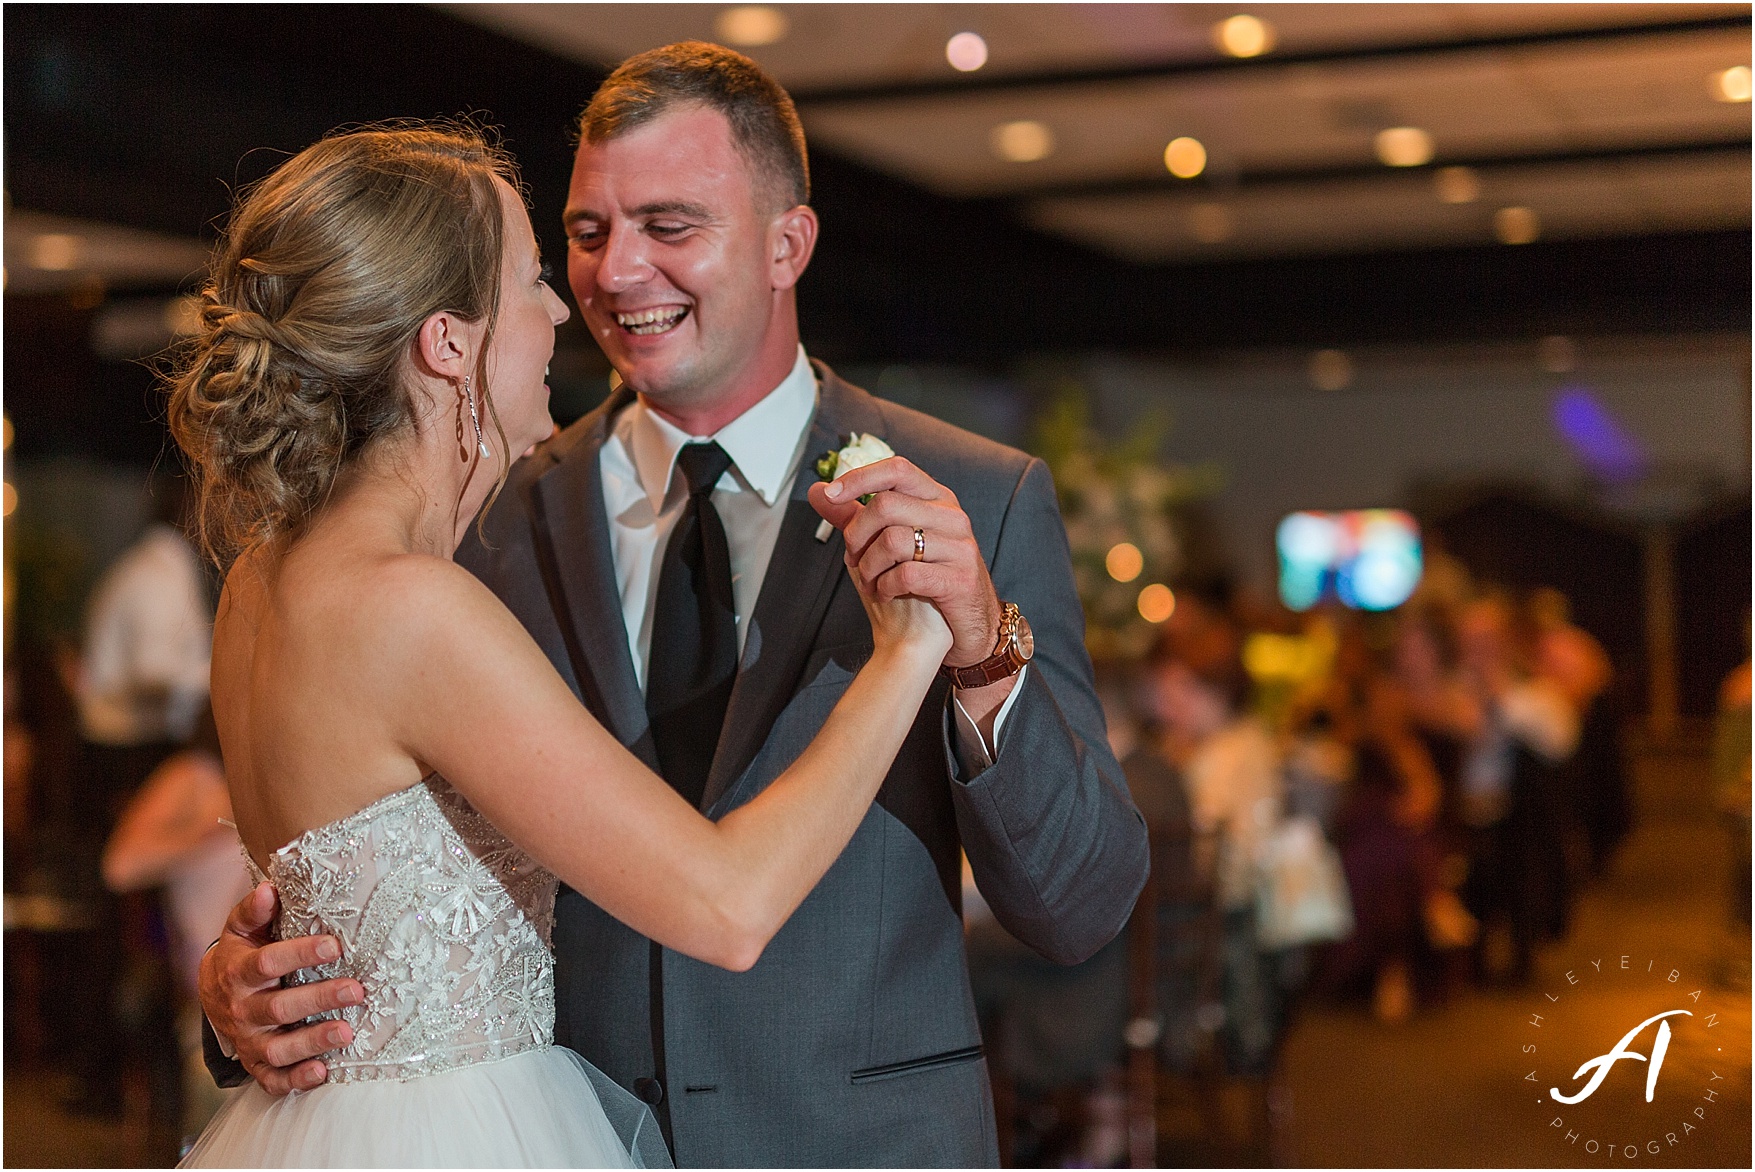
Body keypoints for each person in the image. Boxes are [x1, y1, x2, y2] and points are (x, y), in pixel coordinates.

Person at [197, 43, 1147, 1169]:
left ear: (787, 243)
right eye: (586, 234)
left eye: (670, 225)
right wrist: (243, 992)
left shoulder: (971, 501)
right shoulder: (477, 519)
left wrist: (979, 652)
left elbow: (1080, 904)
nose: (609, 275)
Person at [101, 704, 253, 1146]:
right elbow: (119, 866)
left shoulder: (285, 773)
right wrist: (213, 827)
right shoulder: (194, 777)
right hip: (208, 971)